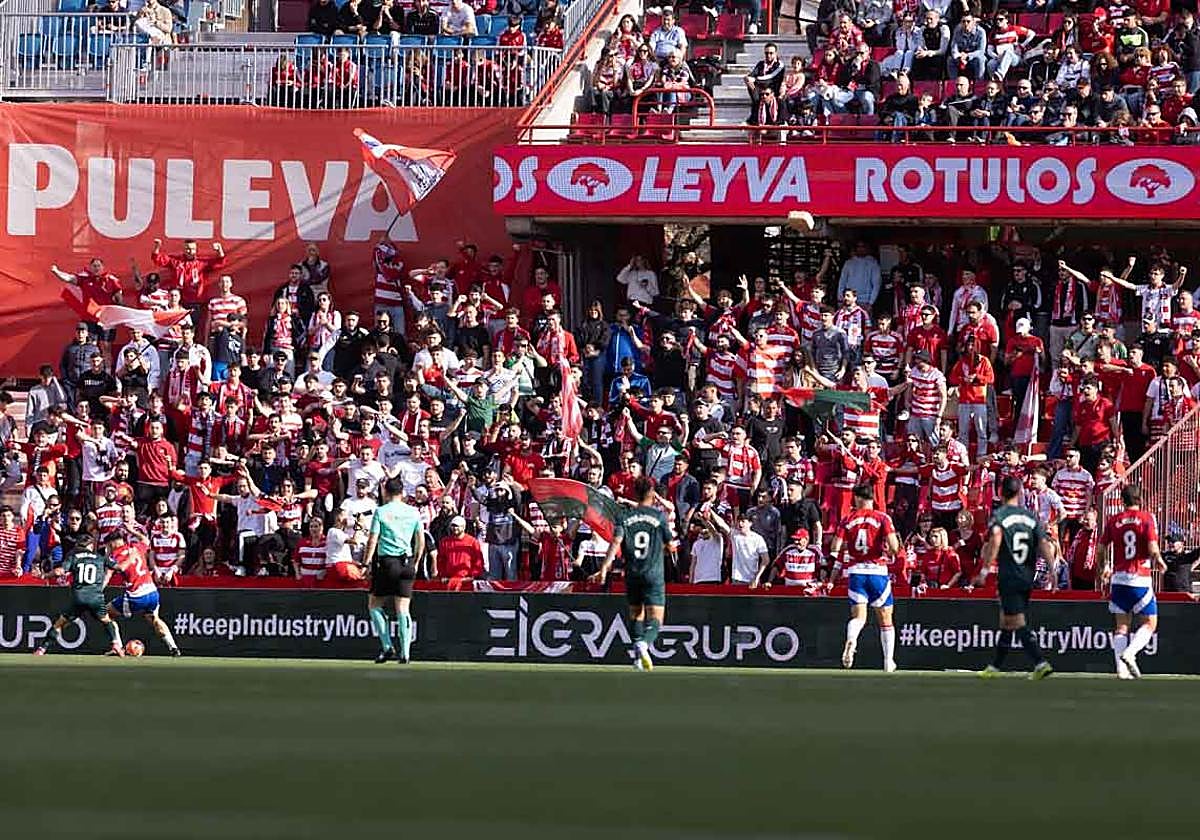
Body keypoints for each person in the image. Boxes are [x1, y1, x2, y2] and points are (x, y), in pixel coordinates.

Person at [591, 475, 674, 672]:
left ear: (635, 493)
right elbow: (671, 545)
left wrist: (604, 567)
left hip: (632, 572)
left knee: (636, 613)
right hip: (653, 572)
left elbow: (616, 542)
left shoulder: (625, 517)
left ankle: (637, 659)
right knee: (656, 618)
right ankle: (643, 644)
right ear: (652, 494)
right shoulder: (659, 517)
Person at [977, 476, 1054, 680]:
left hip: (1010, 574)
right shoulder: (1030, 516)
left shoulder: (1000, 515)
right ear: (1020, 492)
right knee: (1006, 619)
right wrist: (1052, 570)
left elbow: (995, 538)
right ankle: (995, 666)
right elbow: (1044, 544)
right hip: (1027, 575)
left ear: (1001, 493)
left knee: (1016, 620)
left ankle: (1040, 662)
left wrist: (985, 570)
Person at [829, 483, 901, 672]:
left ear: (858, 499)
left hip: (856, 572)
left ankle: (852, 639)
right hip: (877, 571)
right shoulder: (883, 518)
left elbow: (835, 546)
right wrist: (893, 552)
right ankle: (888, 661)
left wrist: (848, 549)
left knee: (859, 617)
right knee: (886, 619)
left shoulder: (847, 519)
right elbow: (894, 546)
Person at [1100, 485, 1165, 680]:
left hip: (1118, 578)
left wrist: (1104, 567)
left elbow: (1101, 547)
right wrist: (1159, 560)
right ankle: (1130, 653)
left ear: (1122, 500)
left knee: (1121, 626)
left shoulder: (1114, 520)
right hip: (1140, 578)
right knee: (1150, 623)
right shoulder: (1147, 518)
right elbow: (1152, 547)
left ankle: (1121, 670)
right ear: (1140, 499)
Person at [362, 475, 425, 664]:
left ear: (386, 492)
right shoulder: (414, 512)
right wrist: (415, 562)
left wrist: (365, 564)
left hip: (387, 563)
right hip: (407, 563)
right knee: (403, 608)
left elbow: (373, 539)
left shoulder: (381, 512)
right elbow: (421, 540)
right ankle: (405, 653)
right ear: (402, 492)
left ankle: (387, 646)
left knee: (374, 604)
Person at [33, 534, 124, 656]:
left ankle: (42, 649)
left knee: (59, 624)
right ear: (91, 546)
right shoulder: (100, 557)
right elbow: (120, 568)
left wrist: (44, 575)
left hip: (79, 597)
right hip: (95, 598)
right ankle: (116, 644)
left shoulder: (73, 556)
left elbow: (60, 571)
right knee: (107, 621)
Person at [104, 530, 181, 656]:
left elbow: (108, 575)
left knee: (106, 612)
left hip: (136, 595)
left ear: (113, 543)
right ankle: (173, 647)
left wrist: (97, 591)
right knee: (155, 619)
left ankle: (117, 645)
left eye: (108, 545)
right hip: (152, 592)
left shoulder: (115, 555)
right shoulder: (136, 547)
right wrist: (131, 530)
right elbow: (146, 540)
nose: (108, 548)